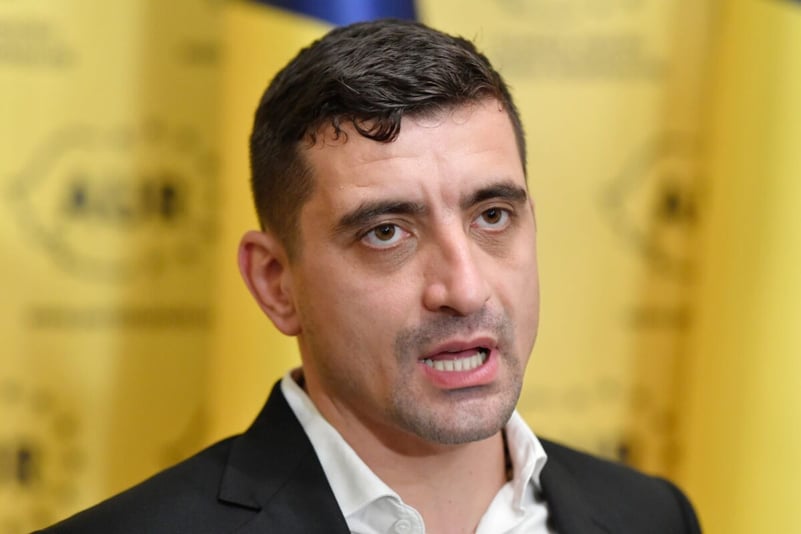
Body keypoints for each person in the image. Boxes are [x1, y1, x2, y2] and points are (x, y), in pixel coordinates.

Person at [41, 19, 701, 533]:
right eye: (386, 232)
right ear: (275, 283)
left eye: (492, 215)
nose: (465, 288)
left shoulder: (650, 517)